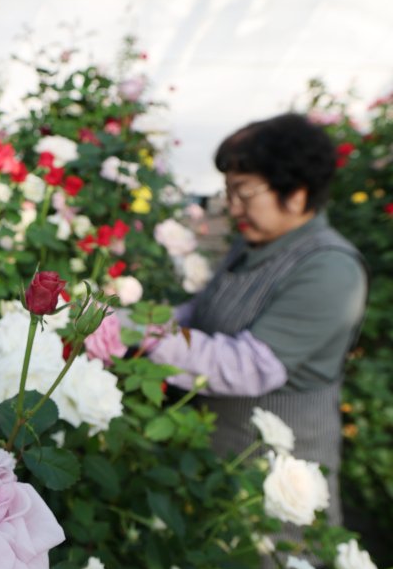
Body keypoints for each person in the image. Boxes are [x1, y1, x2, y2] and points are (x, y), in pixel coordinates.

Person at [146, 113, 368, 523]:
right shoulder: (252, 246)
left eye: (244, 193)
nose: (232, 207)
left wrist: (143, 336)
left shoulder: (330, 270)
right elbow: (204, 310)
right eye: (229, 192)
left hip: (275, 482)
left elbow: (246, 366)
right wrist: (144, 317)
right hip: (218, 459)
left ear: (297, 193)